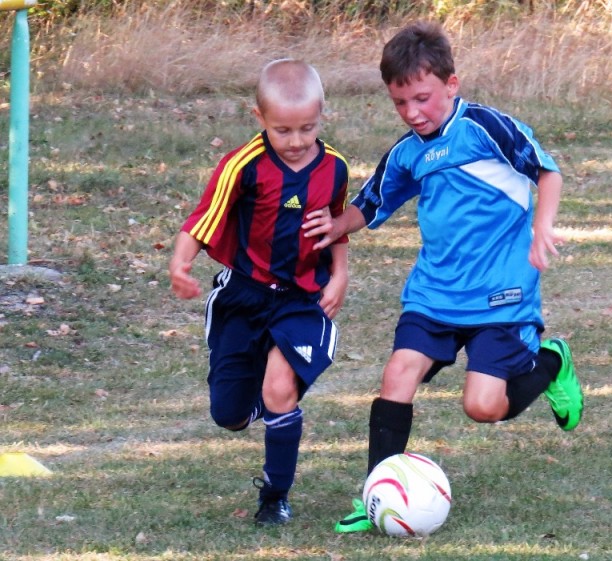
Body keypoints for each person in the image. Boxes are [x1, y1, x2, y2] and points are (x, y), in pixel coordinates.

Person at [303, 21, 584, 533]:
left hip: (500, 292)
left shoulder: (485, 128)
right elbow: (373, 202)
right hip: (434, 292)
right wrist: (336, 224)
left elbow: (547, 171)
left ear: (452, 84)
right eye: (400, 103)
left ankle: (552, 362)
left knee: (483, 407)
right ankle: (375, 493)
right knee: (398, 373)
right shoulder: (408, 152)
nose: (413, 112)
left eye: (423, 98)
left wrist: (543, 226)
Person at [168, 59, 350, 526]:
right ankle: (256, 400)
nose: (296, 141)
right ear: (260, 118)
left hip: (300, 298)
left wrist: (340, 275)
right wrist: (180, 263)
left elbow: (336, 226)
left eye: (307, 128)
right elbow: (202, 219)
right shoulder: (242, 166)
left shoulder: (334, 168)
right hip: (244, 297)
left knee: (279, 387)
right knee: (228, 415)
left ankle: (275, 497)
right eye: (283, 130)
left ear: (322, 114)